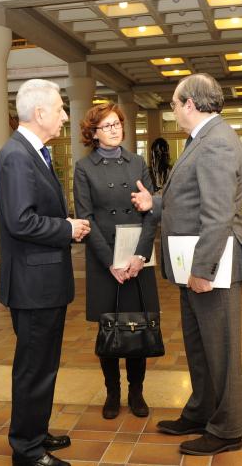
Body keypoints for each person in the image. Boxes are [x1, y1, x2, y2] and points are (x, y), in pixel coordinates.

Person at [130, 73, 242, 456]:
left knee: (221, 350)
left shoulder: (215, 144)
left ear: (191, 105)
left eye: (174, 103)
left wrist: (202, 270)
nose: (173, 109)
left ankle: (228, 429)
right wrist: (156, 203)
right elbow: (190, 197)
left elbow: (216, 215)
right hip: (194, 263)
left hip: (210, 265)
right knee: (200, 347)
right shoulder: (202, 140)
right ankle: (201, 410)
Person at [0, 79, 90, 466]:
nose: (65, 116)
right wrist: (67, 228)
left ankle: (36, 432)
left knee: (44, 365)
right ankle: (27, 450)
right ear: (39, 114)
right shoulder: (17, 156)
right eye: (60, 109)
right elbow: (21, 221)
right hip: (33, 285)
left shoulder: (35, 153)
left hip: (43, 282)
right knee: (33, 368)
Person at [73, 103, 161, 420]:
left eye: (117, 124)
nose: (115, 129)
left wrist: (139, 255)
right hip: (104, 259)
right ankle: (113, 391)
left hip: (137, 256)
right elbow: (85, 218)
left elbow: (151, 212)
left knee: (137, 327)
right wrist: (111, 261)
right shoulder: (84, 169)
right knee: (109, 328)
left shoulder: (137, 163)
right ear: (93, 133)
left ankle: (136, 391)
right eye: (107, 126)